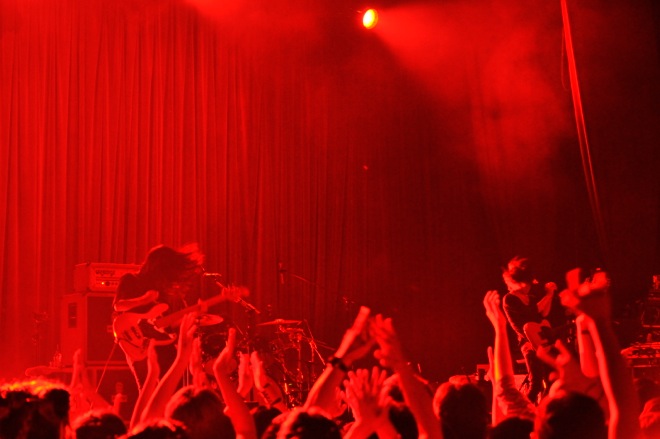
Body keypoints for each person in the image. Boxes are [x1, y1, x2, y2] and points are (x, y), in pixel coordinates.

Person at [112, 243, 236, 389]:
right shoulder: (131, 280)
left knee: (172, 387)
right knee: (147, 388)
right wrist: (143, 300)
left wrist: (196, 313)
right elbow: (118, 305)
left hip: (162, 346)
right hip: (136, 342)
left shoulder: (165, 292)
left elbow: (168, 325)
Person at [500, 256, 566, 403]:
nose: (530, 286)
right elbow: (532, 312)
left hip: (541, 340)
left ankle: (545, 409)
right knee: (536, 383)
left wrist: (550, 295)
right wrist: (548, 294)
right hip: (528, 343)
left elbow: (544, 313)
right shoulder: (509, 299)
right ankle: (524, 409)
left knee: (551, 380)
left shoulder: (530, 296)